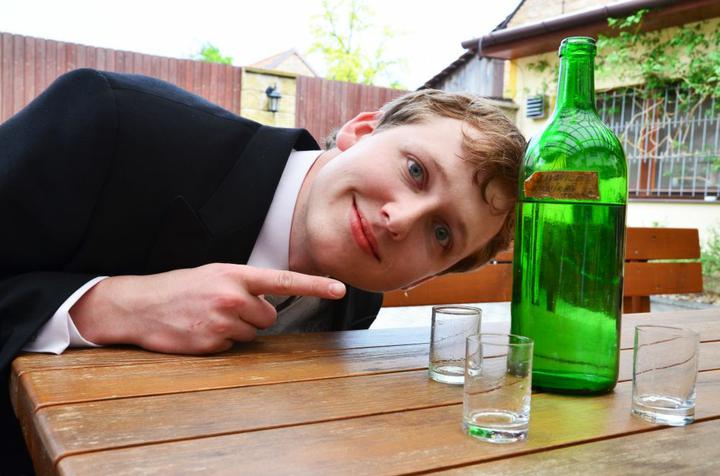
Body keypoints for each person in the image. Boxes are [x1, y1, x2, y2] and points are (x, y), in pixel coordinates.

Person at [0, 68, 526, 473]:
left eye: (441, 234)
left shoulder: (359, 296)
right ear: (360, 131)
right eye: (415, 171)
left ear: (426, 278)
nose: (401, 220)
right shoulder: (112, 118)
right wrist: (111, 307)